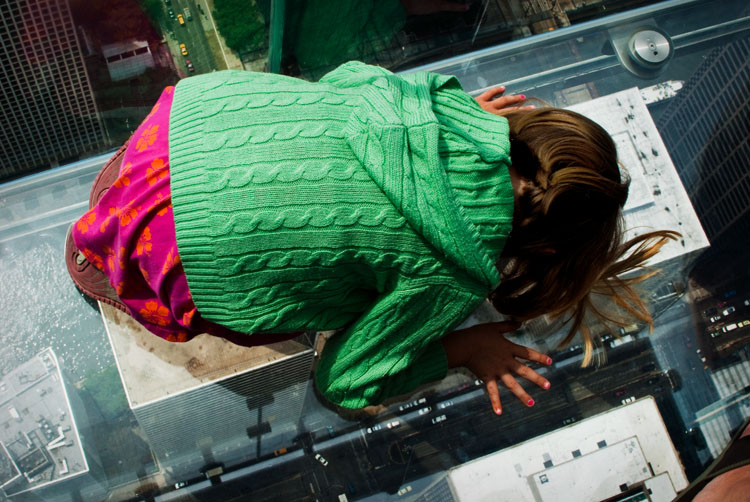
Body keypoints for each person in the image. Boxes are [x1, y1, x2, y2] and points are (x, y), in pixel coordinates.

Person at [66, 61, 677, 412]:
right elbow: (343, 382)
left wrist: (463, 122)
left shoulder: (431, 101)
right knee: (306, 303)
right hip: (159, 249)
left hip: (178, 133)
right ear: (544, 250)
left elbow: (348, 77)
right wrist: (463, 352)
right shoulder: (452, 273)